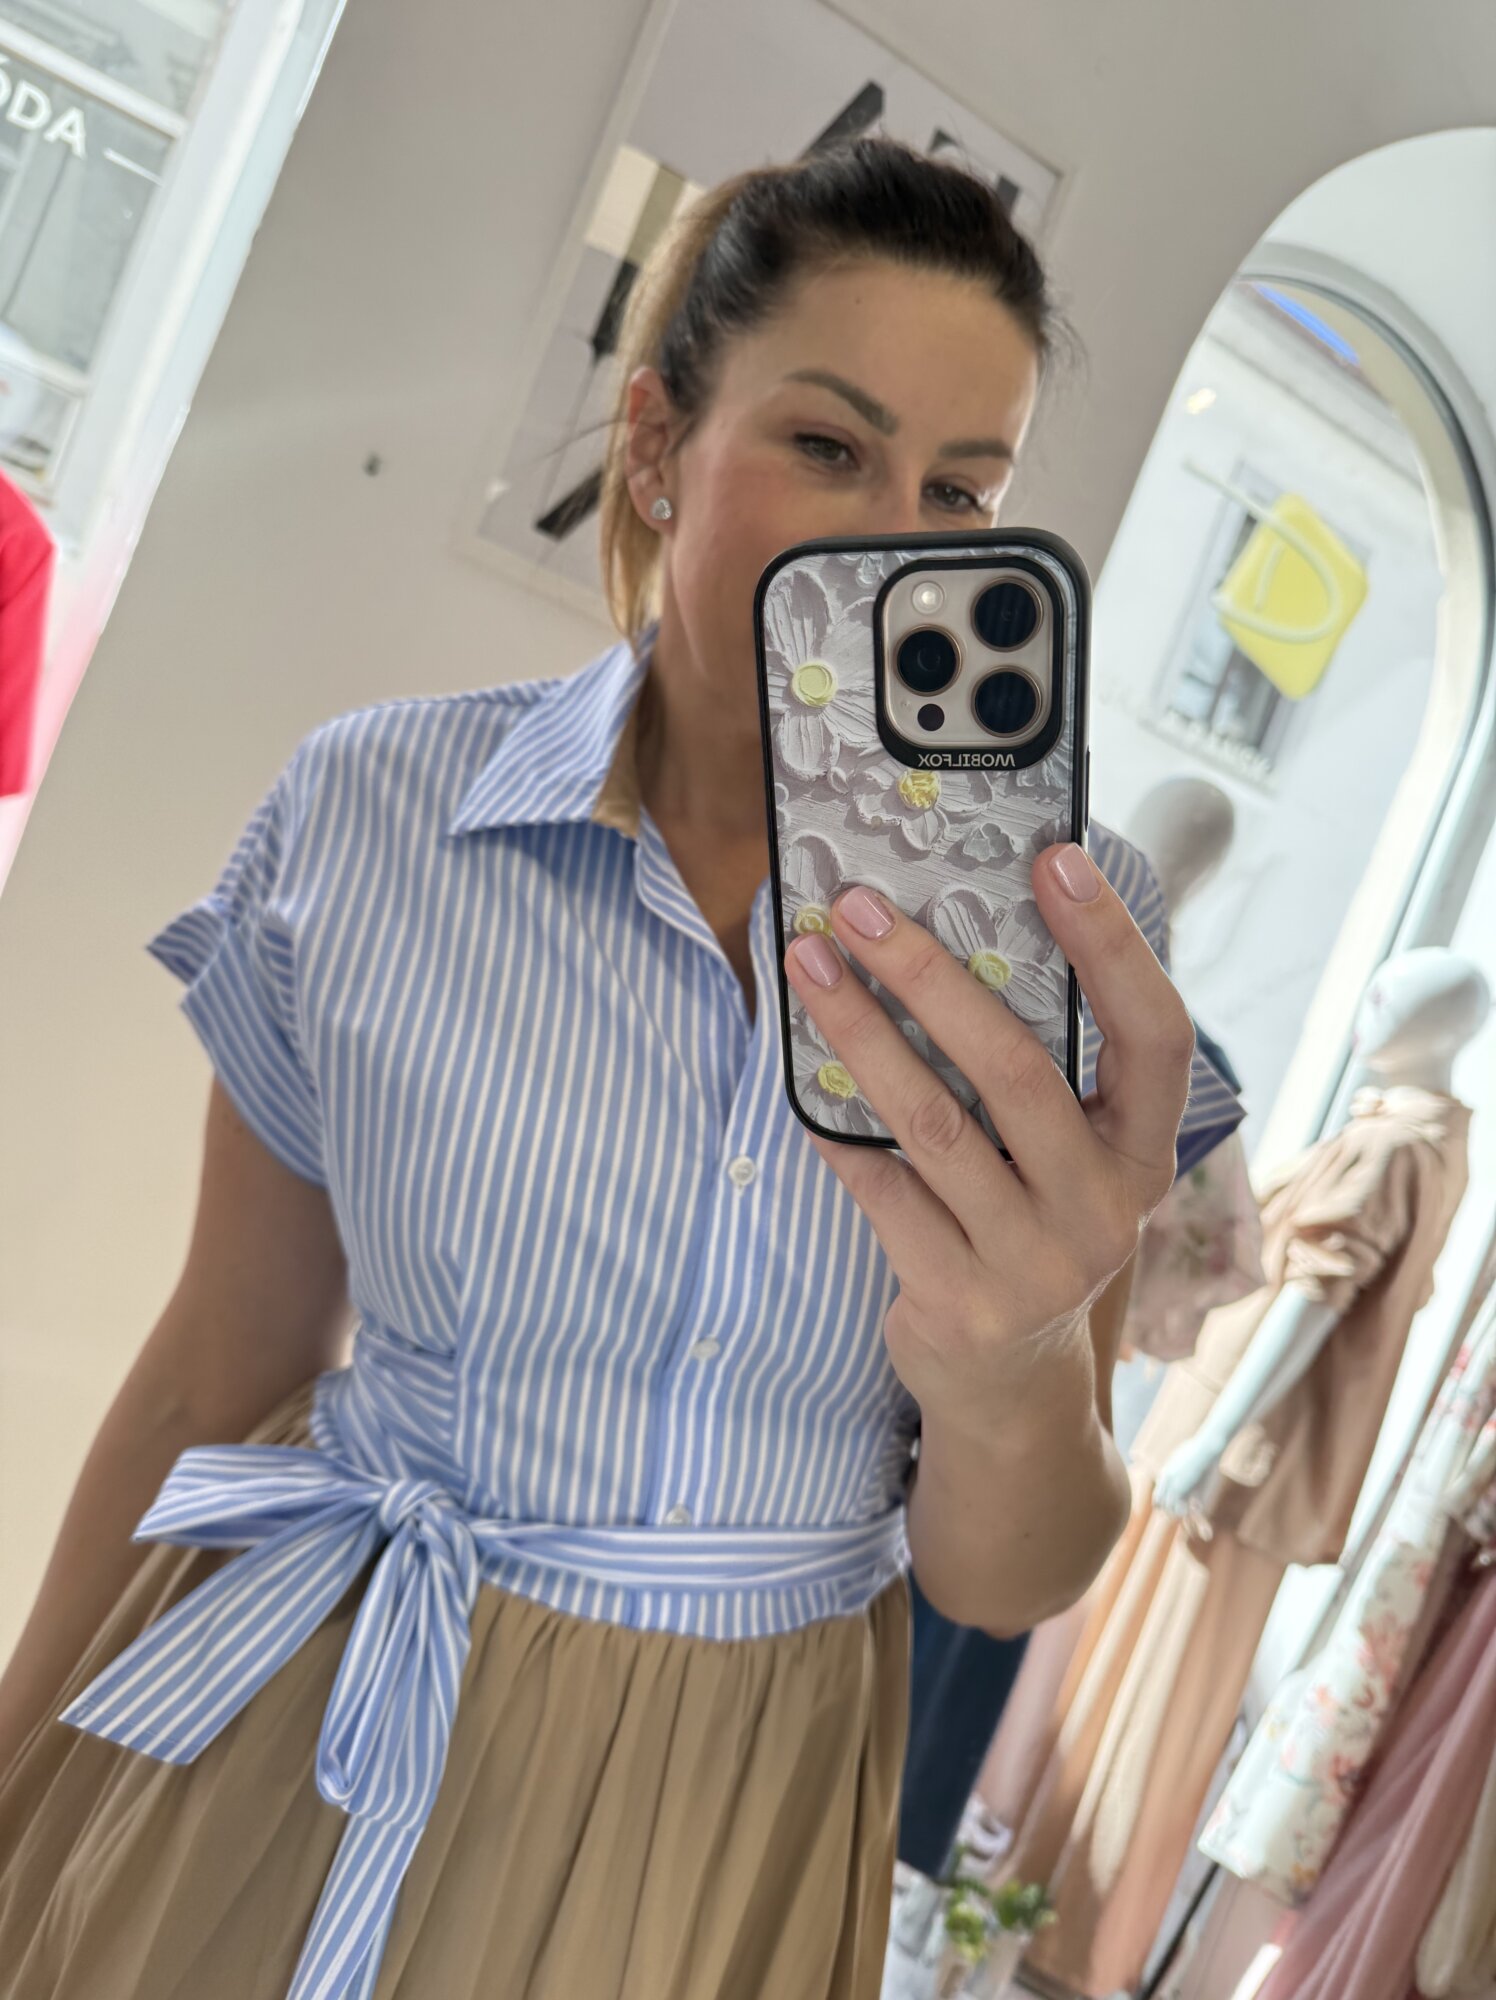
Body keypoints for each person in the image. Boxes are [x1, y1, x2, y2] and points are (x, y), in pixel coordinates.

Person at [0, 135, 1194, 2000]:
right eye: (830, 445)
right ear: (656, 444)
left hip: (728, 1796)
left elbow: (1005, 1575)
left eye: (962, 488)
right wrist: (15, 1760)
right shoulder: (376, 805)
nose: (897, 538)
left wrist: (1017, 1364)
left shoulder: (1065, 927)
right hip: (303, 1691)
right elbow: (221, 1360)